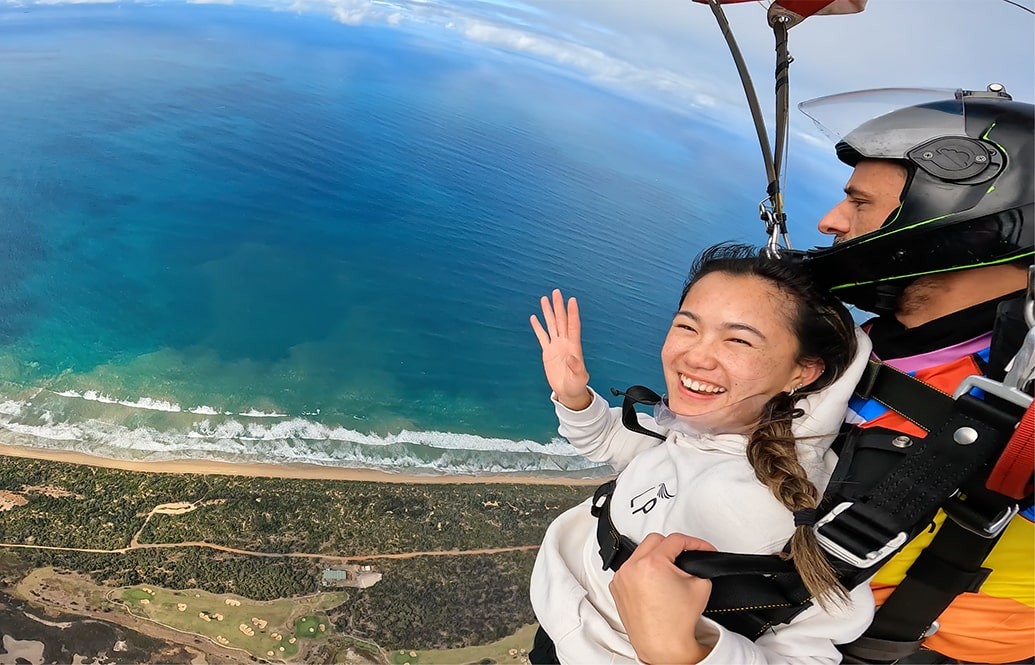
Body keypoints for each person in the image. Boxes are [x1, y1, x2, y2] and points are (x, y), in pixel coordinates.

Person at [609, 86, 1034, 665]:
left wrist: (674, 651)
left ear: (955, 227)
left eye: (859, 204)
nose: (831, 221)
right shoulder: (871, 350)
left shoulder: (1016, 407)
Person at [527, 242, 874, 664]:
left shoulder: (807, 502)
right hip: (556, 628)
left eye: (739, 341)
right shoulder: (696, 429)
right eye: (687, 328)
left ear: (804, 371)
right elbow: (613, 443)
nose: (695, 356)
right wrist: (574, 396)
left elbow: (809, 654)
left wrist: (681, 653)